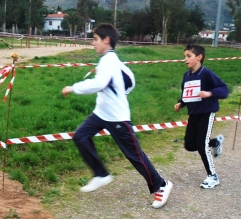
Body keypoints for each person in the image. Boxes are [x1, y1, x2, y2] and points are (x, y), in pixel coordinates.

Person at [61, 23, 173, 209]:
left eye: (95, 39)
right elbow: (124, 80)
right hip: (101, 114)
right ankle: (100, 174)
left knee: (134, 155)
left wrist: (73, 88)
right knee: (80, 136)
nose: (93, 43)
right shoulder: (107, 60)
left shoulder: (110, 61)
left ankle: (161, 185)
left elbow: (100, 83)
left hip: (117, 117)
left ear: (107, 40)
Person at [174, 44, 228, 189]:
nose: (185, 59)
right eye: (184, 56)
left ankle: (213, 176)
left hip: (207, 112)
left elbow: (223, 90)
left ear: (199, 57)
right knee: (190, 145)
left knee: (202, 145)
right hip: (194, 113)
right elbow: (187, 95)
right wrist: (180, 103)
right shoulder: (186, 76)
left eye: (188, 56)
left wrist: (209, 93)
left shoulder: (206, 74)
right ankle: (215, 143)